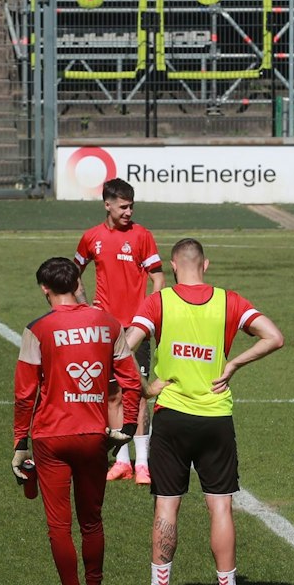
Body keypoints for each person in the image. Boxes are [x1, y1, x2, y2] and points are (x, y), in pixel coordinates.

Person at [117, 239, 286, 585]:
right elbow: (275, 337)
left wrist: (146, 388)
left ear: (174, 266)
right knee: (221, 506)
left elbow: (124, 348)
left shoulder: (159, 302)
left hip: (171, 416)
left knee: (167, 504)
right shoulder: (230, 301)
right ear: (205, 265)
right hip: (216, 418)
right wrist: (234, 365)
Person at [13, 256, 140, 585]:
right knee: (92, 520)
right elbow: (130, 380)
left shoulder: (37, 329)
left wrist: (20, 442)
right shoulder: (108, 323)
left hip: (51, 438)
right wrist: (129, 426)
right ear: (77, 283)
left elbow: (25, 394)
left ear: (44, 288)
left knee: (58, 525)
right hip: (93, 435)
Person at [73, 177, 163, 484]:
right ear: (107, 204)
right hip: (104, 330)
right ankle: (123, 461)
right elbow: (73, 273)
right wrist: (86, 307)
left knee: (136, 393)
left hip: (135, 329)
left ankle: (143, 464)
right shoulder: (91, 238)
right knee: (111, 393)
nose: (128, 212)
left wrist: (146, 317)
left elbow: (159, 279)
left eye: (131, 206)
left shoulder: (142, 236)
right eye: (123, 206)